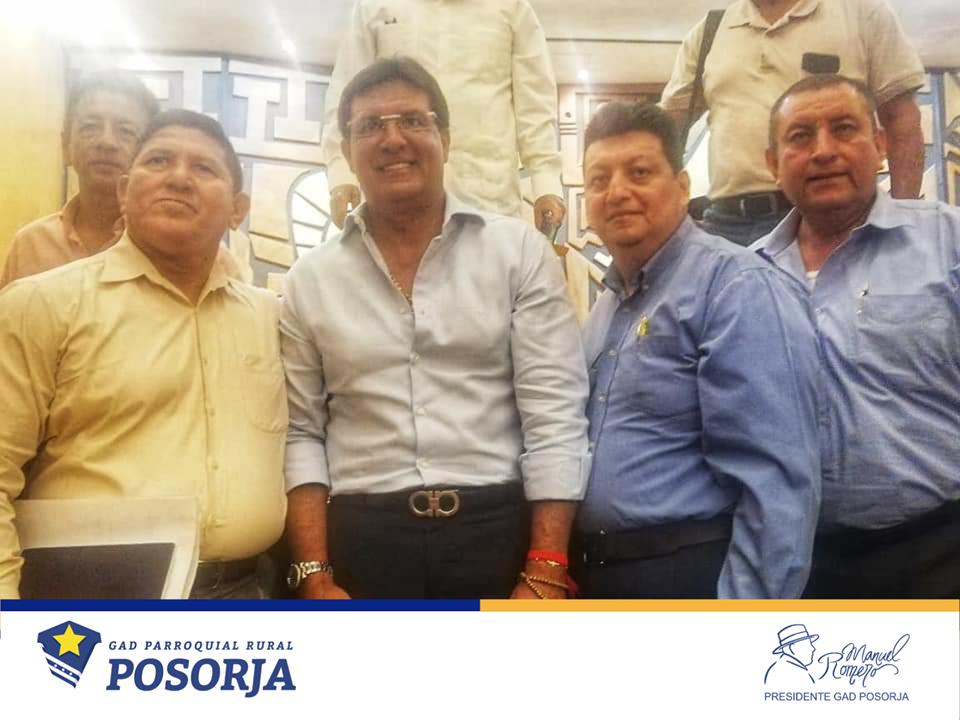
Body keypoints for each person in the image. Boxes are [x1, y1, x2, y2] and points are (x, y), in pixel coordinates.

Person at [282, 57, 589, 600]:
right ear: (347, 151)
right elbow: (302, 432)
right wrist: (313, 575)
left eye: (412, 121)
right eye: (370, 126)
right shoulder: (310, 279)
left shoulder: (517, 252)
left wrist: (546, 567)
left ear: (445, 139)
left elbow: (554, 413)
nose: (392, 139)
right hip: (361, 540)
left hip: (496, 531)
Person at [0, 110, 287, 600]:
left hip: (247, 593)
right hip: (88, 601)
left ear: (237, 210)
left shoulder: (271, 318)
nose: (178, 177)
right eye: (158, 161)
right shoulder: (42, 304)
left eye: (204, 168)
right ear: (124, 191)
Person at [572, 101, 820, 599]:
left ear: (683, 187)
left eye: (639, 172)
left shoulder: (735, 286)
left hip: (690, 575)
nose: (617, 192)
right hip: (600, 578)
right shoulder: (605, 308)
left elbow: (776, 482)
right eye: (599, 180)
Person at [755, 74, 960, 598]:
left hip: (940, 552)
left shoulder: (948, 241)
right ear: (773, 162)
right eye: (800, 136)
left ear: (880, 143)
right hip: (795, 566)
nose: (823, 150)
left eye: (844, 128)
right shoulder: (743, 278)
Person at [661, 0, 925, 246]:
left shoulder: (861, 13)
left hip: (832, 216)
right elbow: (664, 128)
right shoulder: (711, 32)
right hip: (727, 224)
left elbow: (900, 118)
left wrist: (902, 217)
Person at [319, 0, 565, 230]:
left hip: (488, 200)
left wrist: (546, 183)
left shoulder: (511, 7)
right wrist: (341, 173)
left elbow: (534, 104)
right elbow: (347, 94)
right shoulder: (375, 6)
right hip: (397, 202)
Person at [1, 71, 159, 287]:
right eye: (90, 127)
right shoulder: (31, 244)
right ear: (66, 145)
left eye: (126, 131)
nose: (106, 141)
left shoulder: (164, 246)